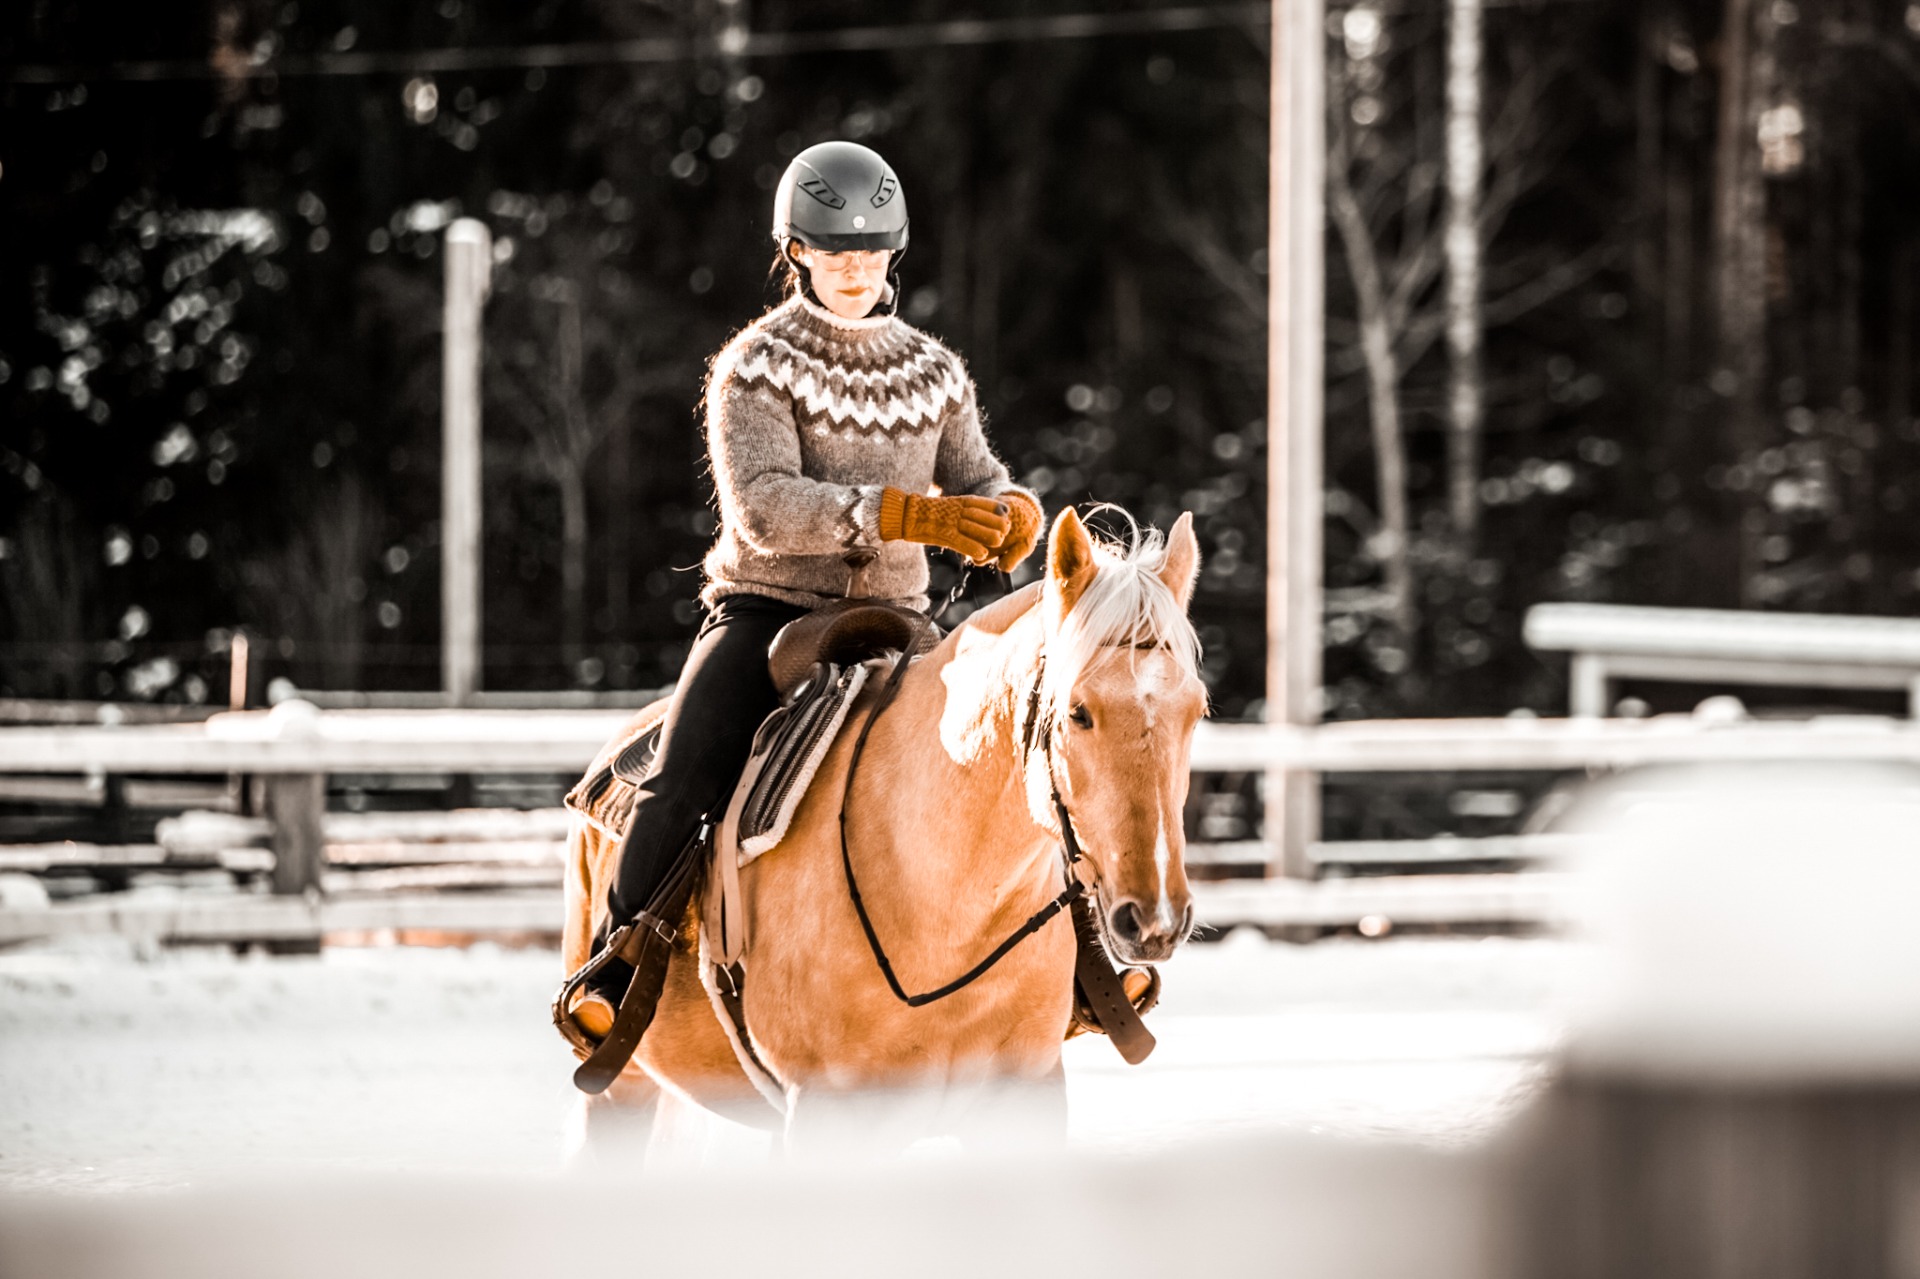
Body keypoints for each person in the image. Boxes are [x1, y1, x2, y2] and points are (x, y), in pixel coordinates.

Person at [562, 141, 1044, 1065]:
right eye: (835, 251)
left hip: (904, 626)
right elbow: (765, 508)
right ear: (798, 253)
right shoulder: (755, 364)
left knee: (1015, 764)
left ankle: (1077, 976)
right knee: (684, 769)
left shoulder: (935, 371)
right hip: (768, 613)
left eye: (871, 252)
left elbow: (976, 476)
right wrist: (906, 514)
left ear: (893, 254)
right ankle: (616, 969)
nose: (855, 268)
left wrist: (1009, 513)